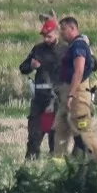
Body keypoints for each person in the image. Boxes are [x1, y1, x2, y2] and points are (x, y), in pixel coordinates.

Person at [53, 14, 97, 159]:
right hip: (68, 92)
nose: (61, 33)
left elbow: (79, 71)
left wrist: (71, 94)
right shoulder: (72, 46)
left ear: (72, 28)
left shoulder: (79, 46)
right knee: (61, 129)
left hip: (77, 93)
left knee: (84, 129)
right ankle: (59, 162)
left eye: (63, 29)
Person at [17, 12, 59, 159]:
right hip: (39, 98)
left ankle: (55, 164)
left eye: (49, 36)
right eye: (44, 36)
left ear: (57, 34)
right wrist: (31, 65)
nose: (46, 39)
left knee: (55, 136)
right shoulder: (38, 49)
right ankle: (31, 163)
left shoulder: (64, 50)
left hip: (56, 98)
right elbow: (23, 68)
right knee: (34, 134)